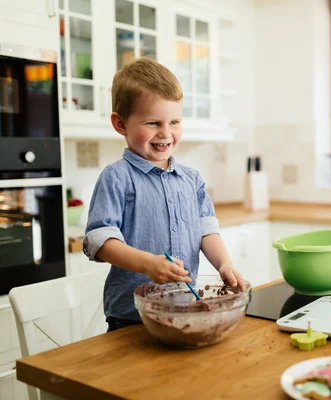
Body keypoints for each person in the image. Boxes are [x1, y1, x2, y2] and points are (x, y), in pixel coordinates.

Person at [83, 58, 246, 332]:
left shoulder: (191, 179)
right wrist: (147, 264)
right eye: (153, 122)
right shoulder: (116, 177)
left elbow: (207, 230)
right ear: (120, 124)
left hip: (184, 310)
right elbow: (99, 241)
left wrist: (224, 264)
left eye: (174, 122)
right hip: (132, 316)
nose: (166, 133)